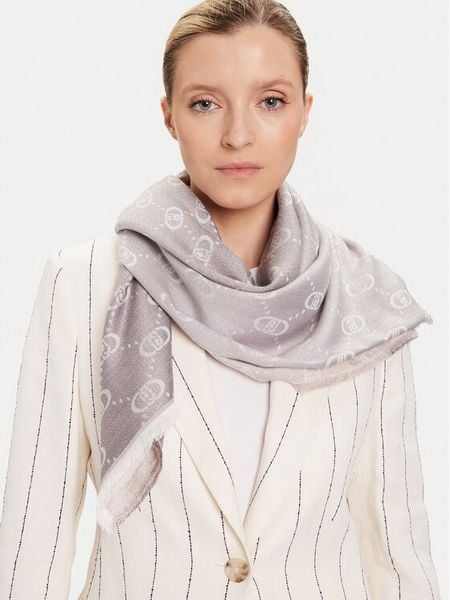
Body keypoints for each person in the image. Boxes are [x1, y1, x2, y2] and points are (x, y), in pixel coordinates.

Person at [0, 1, 442, 598]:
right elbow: (35, 539)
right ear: (169, 116)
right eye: (205, 104)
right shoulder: (83, 283)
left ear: (305, 112)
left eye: (271, 102)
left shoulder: (366, 302)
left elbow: (398, 554)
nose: (237, 135)